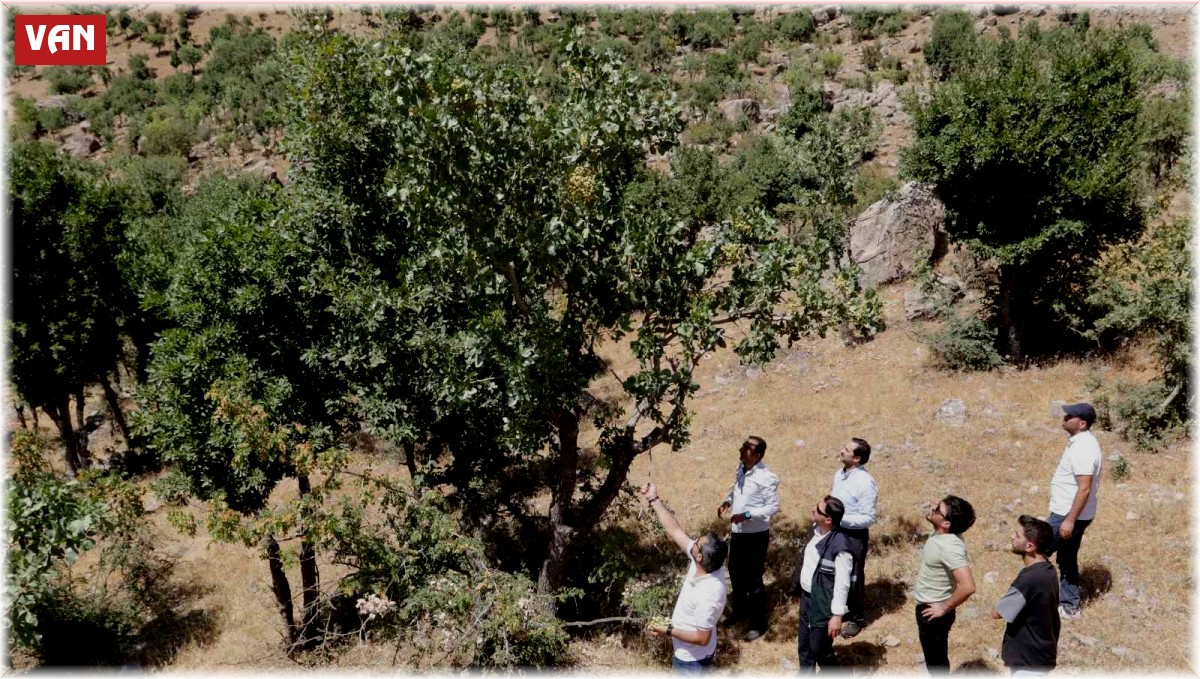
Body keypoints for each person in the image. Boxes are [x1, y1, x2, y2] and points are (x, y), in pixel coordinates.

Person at [641, 482, 728, 673]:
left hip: (692, 661)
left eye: (696, 543)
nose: (693, 541)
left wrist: (669, 631)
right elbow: (675, 531)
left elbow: (702, 638)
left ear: (699, 557)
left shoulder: (710, 594)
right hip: (689, 654)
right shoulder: (707, 563)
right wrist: (653, 499)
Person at [716, 435, 780, 641]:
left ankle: (758, 622)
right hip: (738, 533)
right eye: (743, 445)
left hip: (755, 536)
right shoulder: (742, 468)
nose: (741, 449)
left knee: (754, 580)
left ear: (758, 455)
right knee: (735, 572)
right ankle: (739, 611)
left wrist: (747, 515)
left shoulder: (766, 477)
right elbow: (738, 490)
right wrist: (728, 501)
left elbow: (772, 506)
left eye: (747, 447)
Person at [1046, 402, 1102, 619]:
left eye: (1070, 416)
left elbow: (1084, 487)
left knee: (1037, 554)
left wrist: (1069, 520)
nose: (1065, 417)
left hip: (1067, 516)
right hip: (1074, 515)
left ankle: (1030, 603)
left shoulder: (1083, 447)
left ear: (1082, 423)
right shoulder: (1081, 443)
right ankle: (1069, 606)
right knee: (1067, 558)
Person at [787, 495, 853, 672]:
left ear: (828, 519)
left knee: (819, 648)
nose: (812, 510)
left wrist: (837, 616)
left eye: (817, 509)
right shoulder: (816, 532)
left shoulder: (841, 546)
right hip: (807, 598)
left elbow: (842, 583)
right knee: (805, 646)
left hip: (823, 604)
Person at [914, 495, 977, 674]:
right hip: (931, 608)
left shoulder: (950, 547)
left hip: (933, 613)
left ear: (947, 524)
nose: (933, 507)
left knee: (936, 662)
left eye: (938, 510)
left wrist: (943, 608)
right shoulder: (942, 532)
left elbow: (968, 586)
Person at [993, 515, 1061, 676]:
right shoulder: (1048, 570)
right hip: (1041, 655)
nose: (1012, 536)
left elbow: (997, 613)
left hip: (1028, 662)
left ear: (1029, 546)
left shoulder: (1029, 579)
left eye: (1017, 535)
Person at [829, 437, 877, 638]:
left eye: (846, 449)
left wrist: (840, 520)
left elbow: (868, 517)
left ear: (856, 458)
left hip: (853, 535)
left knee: (854, 576)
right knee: (836, 571)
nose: (841, 451)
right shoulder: (839, 475)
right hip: (835, 530)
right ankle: (839, 609)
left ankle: (856, 618)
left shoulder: (866, 483)